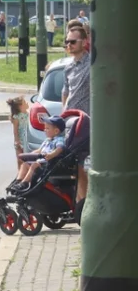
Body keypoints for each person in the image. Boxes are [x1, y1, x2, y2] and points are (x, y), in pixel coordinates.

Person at [60, 23, 90, 216]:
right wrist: (63, 116)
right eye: (66, 42)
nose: (68, 45)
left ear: (84, 42)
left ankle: (85, 207)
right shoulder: (67, 67)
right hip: (70, 124)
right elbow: (65, 94)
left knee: (85, 166)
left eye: (73, 41)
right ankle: (80, 207)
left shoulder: (92, 64)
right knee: (75, 169)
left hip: (87, 123)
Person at [11, 116, 67, 188]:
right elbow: (39, 150)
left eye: (47, 128)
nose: (44, 130)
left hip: (48, 164)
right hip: (40, 163)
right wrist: (29, 155)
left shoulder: (59, 140)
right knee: (24, 164)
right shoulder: (47, 140)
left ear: (56, 131)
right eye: (45, 128)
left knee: (34, 165)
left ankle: (24, 183)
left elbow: (60, 148)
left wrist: (51, 155)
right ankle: (18, 182)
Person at [7, 97, 32, 171]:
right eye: (25, 102)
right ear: (20, 106)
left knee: (26, 159)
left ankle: (25, 173)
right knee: (20, 160)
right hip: (20, 141)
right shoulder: (17, 117)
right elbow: (15, 130)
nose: (27, 103)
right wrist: (16, 141)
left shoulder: (28, 114)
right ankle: (19, 174)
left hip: (26, 140)